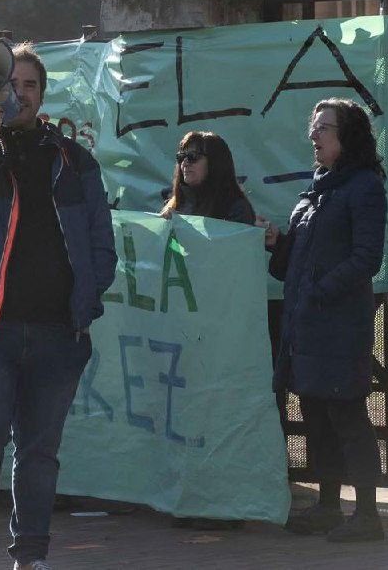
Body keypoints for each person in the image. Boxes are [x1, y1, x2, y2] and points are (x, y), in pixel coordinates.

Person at [0, 43, 116, 570]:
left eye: (30, 85)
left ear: (41, 93)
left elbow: (101, 239)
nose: (21, 94)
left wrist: (91, 291)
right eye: (10, 85)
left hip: (58, 330)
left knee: (39, 451)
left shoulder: (73, 160)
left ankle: (31, 553)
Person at [262, 98, 387, 543]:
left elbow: (366, 258)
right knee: (315, 412)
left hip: (338, 325)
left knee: (347, 414)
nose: (314, 136)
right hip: (306, 324)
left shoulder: (364, 187)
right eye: (313, 128)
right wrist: (279, 242)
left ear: (347, 136)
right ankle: (329, 506)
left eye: (324, 129)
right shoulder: (316, 189)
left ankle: (368, 514)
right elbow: (294, 260)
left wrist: (320, 291)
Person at [159, 130, 253, 531]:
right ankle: (192, 497)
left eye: (195, 155)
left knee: (220, 417)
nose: (186, 162)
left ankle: (226, 505)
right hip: (184, 331)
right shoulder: (174, 208)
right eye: (182, 155)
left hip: (222, 332)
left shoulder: (235, 210)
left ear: (216, 161)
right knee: (187, 417)